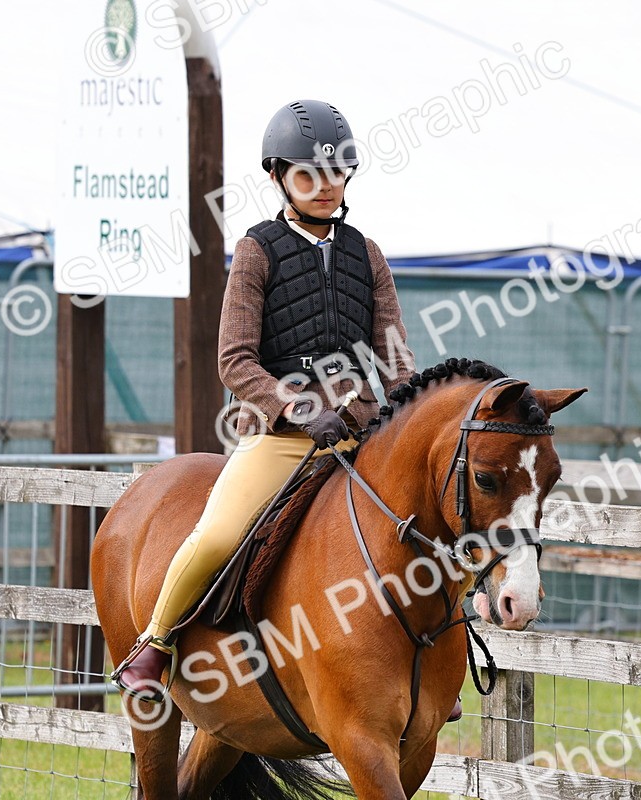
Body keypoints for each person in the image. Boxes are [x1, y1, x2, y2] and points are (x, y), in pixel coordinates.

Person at [111, 99, 419, 706]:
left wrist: (408, 409)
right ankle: (155, 643)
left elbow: (394, 355)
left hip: (359, 434)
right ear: (279, 176)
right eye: (309, 175)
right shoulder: (257, 252)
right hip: (282, 438)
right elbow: (234, 361)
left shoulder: (368, 253)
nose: (325, 186)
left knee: (421, 527)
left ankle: (430, 666)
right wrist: (300, 408)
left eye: (336, 173)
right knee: (220, 533)